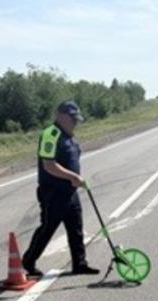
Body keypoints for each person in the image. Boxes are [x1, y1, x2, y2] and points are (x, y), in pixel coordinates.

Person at [22, 101, 100, 278]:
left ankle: (79, 263)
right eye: (73, 119)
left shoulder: (70, 135)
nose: (76, 122)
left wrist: (74, 179)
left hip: (70, 191)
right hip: (53, 192)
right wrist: (73, 177)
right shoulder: (51, 134)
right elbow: (49, 165)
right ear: (62, 116)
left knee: (76, 228)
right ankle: (28, 261)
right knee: (47, 228)